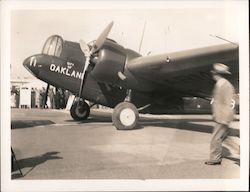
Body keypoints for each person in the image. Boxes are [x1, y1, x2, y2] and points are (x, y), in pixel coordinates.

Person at [205, 63, 236, 165]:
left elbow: (230, 103)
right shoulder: (220, 84)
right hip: (220, 116)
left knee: (216, 138)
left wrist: (225, 118)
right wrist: (215, 114)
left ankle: (215, 158)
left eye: (213, 73)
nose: (212, 75)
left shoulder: (225, 85)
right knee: (225, 138)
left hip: (223, 117)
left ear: (216, 74)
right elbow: (217, 102)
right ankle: (242, 151)